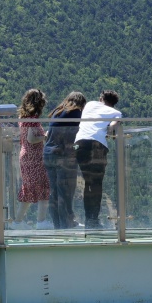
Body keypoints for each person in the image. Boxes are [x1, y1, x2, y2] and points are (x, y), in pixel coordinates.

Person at [75, 90, 123, 229]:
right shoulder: (116, 113)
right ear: (113, 104)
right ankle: (92, 220)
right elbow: (112, 128)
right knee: (96, 184)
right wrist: (110, 130)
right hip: (97, 145)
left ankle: (89, 219)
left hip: (79, 144)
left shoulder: (89, 104)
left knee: (88, 182)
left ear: (101, 98)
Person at [43, 92, 86, 229]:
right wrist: (78, 148)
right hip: (64, 155)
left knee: (53, 192)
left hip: (49, 154)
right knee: (65, 191)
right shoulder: (76, 113)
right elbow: (79, 136)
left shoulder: (57, 111)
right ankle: (67, 224)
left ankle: (57, 225)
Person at [16, 88, 50, 221]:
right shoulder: (33, 119)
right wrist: (44, 136)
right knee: (43, 186)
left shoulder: (22, 117)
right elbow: (32, 139)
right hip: (34, 156)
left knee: (28, 188)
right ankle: (41, 221)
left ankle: (17, 222)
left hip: (24, 154)